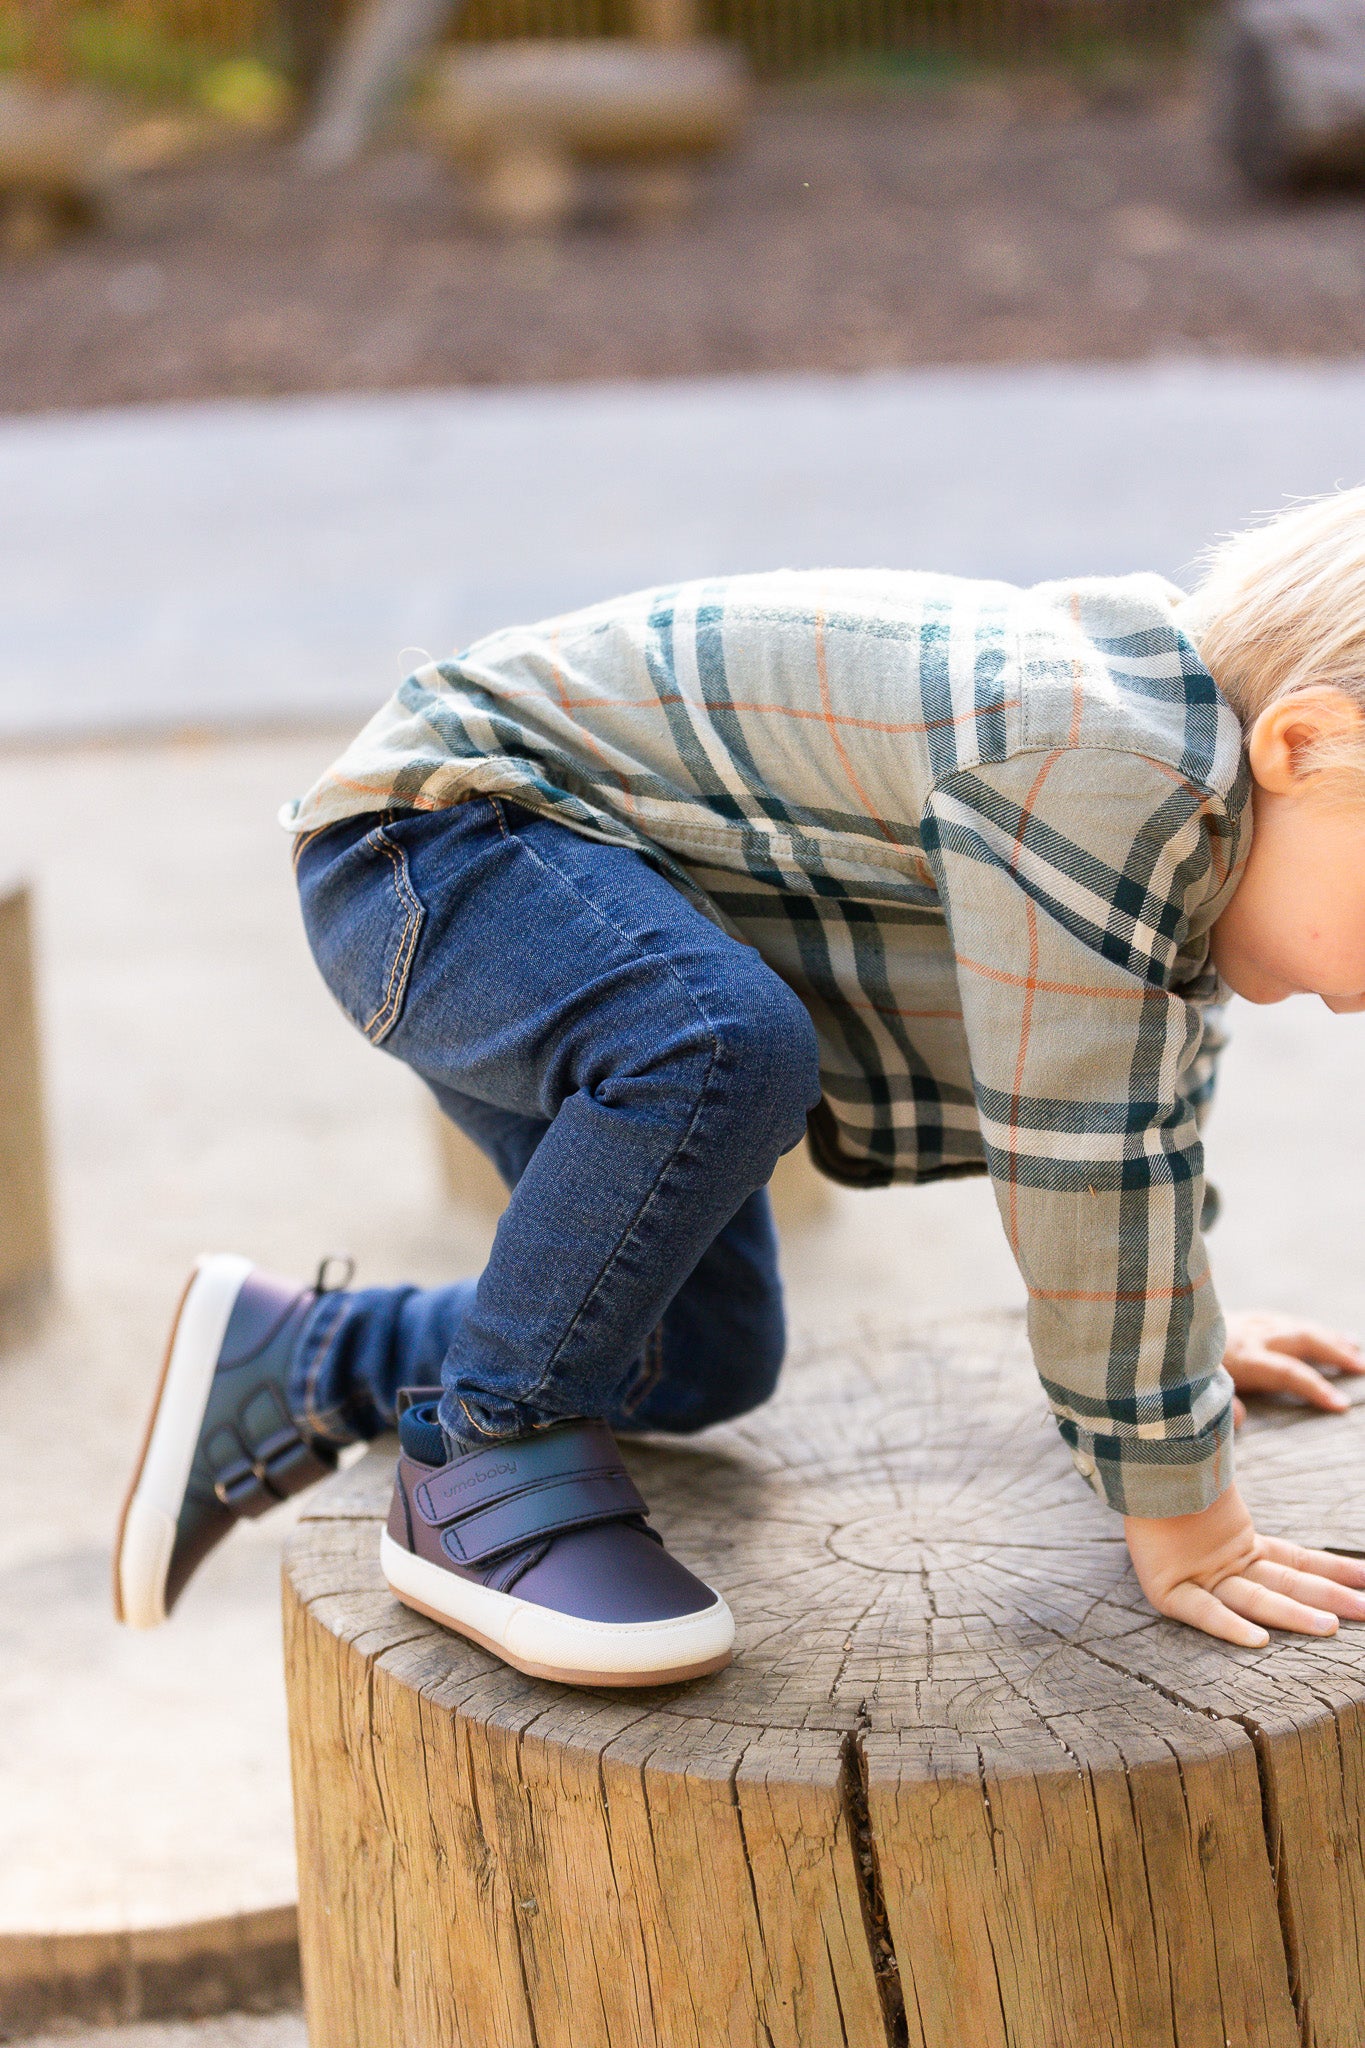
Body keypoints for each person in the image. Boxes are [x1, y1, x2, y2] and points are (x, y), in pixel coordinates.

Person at [115, 489, 1365, 1686]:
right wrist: (1189, 1512)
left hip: (569, 890)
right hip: (440, 845)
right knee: (722, 1041)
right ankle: (480, 1470)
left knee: (701, 1355)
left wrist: (1183, 1346)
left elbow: (1140, 1104)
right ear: (1302, 744)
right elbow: (1083, 1146)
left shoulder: (1180, 812)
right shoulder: (1108, 763)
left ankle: (315, 1353)